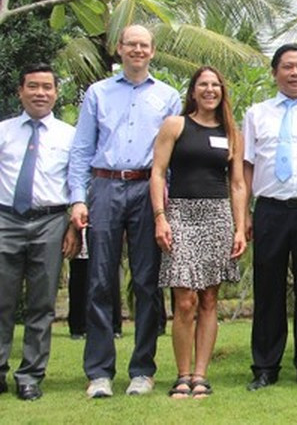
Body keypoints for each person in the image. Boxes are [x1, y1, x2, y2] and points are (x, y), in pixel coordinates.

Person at [69, 24, 181, 398]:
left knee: (147, 283)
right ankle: (99, 372)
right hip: (104, 186)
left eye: (143, 45)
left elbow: (172, 157)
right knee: (100, 280)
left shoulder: (167, 96)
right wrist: (78, 197)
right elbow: (82, 149)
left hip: (148, 188)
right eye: (130, 43)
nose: (137, 50)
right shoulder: (97, 93)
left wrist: (166, 205)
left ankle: (142, 370)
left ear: (152, 51)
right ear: (119, 49)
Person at [150, 66, 247, 399]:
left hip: (218, 217)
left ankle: (201, 375)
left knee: (208, 299)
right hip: (180, 214)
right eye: (203, 85)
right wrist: (160, 217)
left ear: (222, 91)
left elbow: (237, 184)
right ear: (192, 91)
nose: (210, 90)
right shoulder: (175, 125)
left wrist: (239, 228)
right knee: (185, 299)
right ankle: (182, 373)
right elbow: (158, 174)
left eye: (215, 85)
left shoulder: (232, 132)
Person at [243, 44, 297, 391]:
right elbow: (246, 168)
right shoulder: (256, 113)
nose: (295, 73)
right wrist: (244, 215)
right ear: (274, 72)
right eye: (288, 67)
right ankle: (265, 366)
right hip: (269, 210)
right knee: (268, 290)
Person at [0, 63, 79, 401]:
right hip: (5, 220)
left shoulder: (69, 135)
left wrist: (74, 225)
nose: (40, 93)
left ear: (56, 93)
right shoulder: (3, 131)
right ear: (21, 91)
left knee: (41, 304)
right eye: (33, 86)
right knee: (2, 301)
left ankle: (30, 375)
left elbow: (77, 182)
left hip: (50, 221)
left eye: (47, 87)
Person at [67, 231, 123, 340]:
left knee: (110, 282)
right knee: (78, 283)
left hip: (105, 238)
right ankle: (78, 327)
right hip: (81, 234)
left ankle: (114, 326)